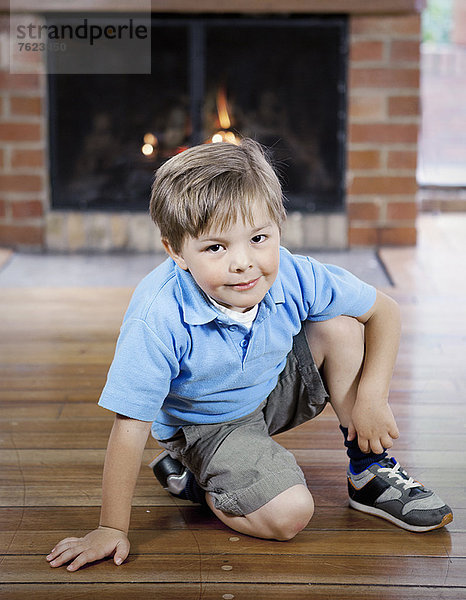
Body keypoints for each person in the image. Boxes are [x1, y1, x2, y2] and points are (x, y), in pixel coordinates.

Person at [46, 139, 453, 573]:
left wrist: (371, 398)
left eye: (258, 238)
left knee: (340, 325)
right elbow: (129, 425)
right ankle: (199, 476)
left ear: (278, 227)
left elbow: (383, 312)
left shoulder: (293, 274)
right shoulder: (158, 315)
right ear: (176, 251)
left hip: (266, 388)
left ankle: (368, 469)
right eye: (215, 248)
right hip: (205, 424)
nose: (244, 263)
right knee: (290, 514)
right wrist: (111, 527)